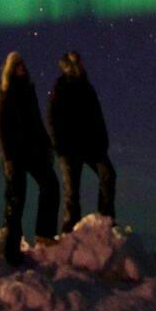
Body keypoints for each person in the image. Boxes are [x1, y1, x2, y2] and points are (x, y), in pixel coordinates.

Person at [0, 51, 58, 265]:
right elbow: (0, 125)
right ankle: (11, 250)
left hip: (33, 151)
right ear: (11, 69)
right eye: (17, 65)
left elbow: (37, 120)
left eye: (23, 64)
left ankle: (44, 234)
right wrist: (7, 158)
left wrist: (47, 144)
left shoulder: (29, 90)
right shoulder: (6, 91)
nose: (22, 67)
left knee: (50, 185)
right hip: (14, 153)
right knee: (16, 198)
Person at [47, 50, 116, 233]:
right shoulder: (60, 86)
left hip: (92, 145)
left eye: (80, 61)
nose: (81, 64)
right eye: (77, 62)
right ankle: (70, 231)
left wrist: (103, 141)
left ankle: (105, 220)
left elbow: (97, 116)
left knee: (108, 175)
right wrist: (59, 146)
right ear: (68, 66)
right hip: (69, 148)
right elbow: (52, 117)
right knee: (72, 192)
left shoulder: (87, 86)